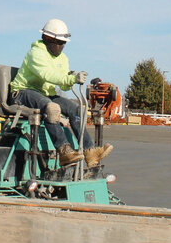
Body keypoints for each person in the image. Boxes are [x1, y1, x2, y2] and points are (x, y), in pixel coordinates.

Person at [9, 19, 113, 168]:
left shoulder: (63, 59)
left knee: (77, 110)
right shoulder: (36, 53)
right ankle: (64, 151)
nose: (62, 46)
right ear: (48, 39)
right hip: (23, 92)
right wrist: (69, 78)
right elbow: (47, 75)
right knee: (52, 108)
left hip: (45, 95)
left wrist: (71, 80)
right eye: (59, 42)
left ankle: (90, 152)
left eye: (64, 43)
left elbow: (63, 86)